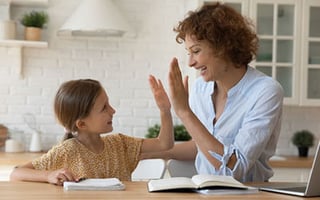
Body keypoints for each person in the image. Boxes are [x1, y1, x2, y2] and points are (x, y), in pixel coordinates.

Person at [141, 2, 284, 182]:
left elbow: (234, 168)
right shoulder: (201, 88)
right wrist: (149, 154)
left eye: (196, 51)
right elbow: (201, 146)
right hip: (205, 192)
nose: (190, 62)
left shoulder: (265, 91)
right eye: (188, 52)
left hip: (249, 195)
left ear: (224, 47)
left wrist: (184, 112)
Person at [10, 77, 174, 185]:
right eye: (104, 108)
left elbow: (164, 143)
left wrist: (165, 111)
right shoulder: (67, 151)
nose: (113, 110)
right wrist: (48, 176)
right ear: (82, 124)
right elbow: (16, 173)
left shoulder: (120, 143)